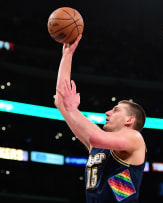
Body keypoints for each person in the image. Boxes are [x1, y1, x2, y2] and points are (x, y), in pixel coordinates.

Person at [55, 35, 147, 203]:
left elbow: (96, 137)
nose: (107, 113)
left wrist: (73, 109)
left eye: (116, 110)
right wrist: (67, 56)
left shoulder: (135, 139)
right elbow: (61, 102)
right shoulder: (98, 146)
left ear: (129, 121)